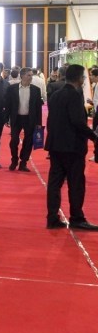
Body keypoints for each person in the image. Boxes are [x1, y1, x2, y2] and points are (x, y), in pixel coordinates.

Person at [45, 64, 98, 231]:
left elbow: (51, 120)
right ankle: (77, 218)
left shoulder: (56, 94)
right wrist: (94, 136)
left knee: (55, 183)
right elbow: (77, 121)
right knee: (76, 184)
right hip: (72, 146)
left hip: (56, 145)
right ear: (79, 78)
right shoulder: (74, 95)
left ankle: (52, 218)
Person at [5, 67, 43, 172]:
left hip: (30, 119)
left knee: (28, 141)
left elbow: (38, 108)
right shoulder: (12, 89)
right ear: (22, 76)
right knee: (14, 140)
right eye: (29, 75)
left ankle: (23, 162)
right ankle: (14, 160)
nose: (31, 77)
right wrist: (6, 118)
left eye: (31, 75)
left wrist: (39, 123)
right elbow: (8, 104)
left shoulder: (36, 90)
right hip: (16, 118)